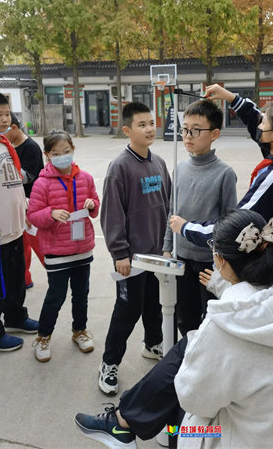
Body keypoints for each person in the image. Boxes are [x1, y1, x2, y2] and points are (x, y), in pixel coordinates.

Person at [74, 208, 273, 449]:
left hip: (250, 439)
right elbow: (261, 303)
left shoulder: (225, 328)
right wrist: (225, 286)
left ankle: (125, 423)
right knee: (189, 349)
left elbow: (192, 399)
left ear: (219, 260)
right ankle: (124, 421)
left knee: (179, 417)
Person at [170, 84, 273, 278]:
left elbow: (233, 229)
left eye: (264, 123)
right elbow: (255, 120)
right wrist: (230, 97)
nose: (259, 126)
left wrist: (185, 227)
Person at [99, 101, 171, 395]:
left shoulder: (159, 163)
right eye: (142, 125)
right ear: (128, 130)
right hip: (131, 258)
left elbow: (168, 207)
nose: (150, 129)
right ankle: (109, 363)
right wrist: (120, 254)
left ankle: (153, 344)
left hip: (157, 254)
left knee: (154, 303)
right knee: (127, 310)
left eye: (151, 123)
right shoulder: (119, 167)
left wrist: (168, 245)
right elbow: (111, 214)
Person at [162, 99, 237, 335]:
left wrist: (223, 263)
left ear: (215, 134)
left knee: (210, 321)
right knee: (184, 318)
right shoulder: (179, 168)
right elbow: (172, 211)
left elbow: (228, 223)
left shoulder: (225, 174)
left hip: (209, 264)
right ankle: (187, 355)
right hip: (181, 258)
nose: (188, 136)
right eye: (184, 129)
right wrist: (167, 247)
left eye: (195, 130)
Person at [27, 130, 100, 362]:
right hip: (57, 252)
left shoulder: (86, 178)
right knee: (55, 297)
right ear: (47, 155)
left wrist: (91, 205)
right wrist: (51, 213)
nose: (62, 157)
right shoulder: (41, 183)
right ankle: (43, 337)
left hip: (82, 249)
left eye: (66, 151)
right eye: (56, 153)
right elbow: (33, 215)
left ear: (73, 150)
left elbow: (95, 204)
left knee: (81, 294)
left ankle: (79, 331)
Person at [0, 91, 38, 353]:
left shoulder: (3, 142)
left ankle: (15, 317)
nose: (5, 119)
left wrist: (23, 208)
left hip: (14, 228)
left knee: (15, 277)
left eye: (7, 114)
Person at [6, 112, 44, 288]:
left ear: (14, 128)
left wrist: (6, 169)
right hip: (18, 204)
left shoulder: (30, 147)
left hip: (32, 204)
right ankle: (25, 278)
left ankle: (56, 272)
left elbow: (29, 177)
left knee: (39, 244)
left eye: (4, 131)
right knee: (23, 245)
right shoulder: (11, 146)